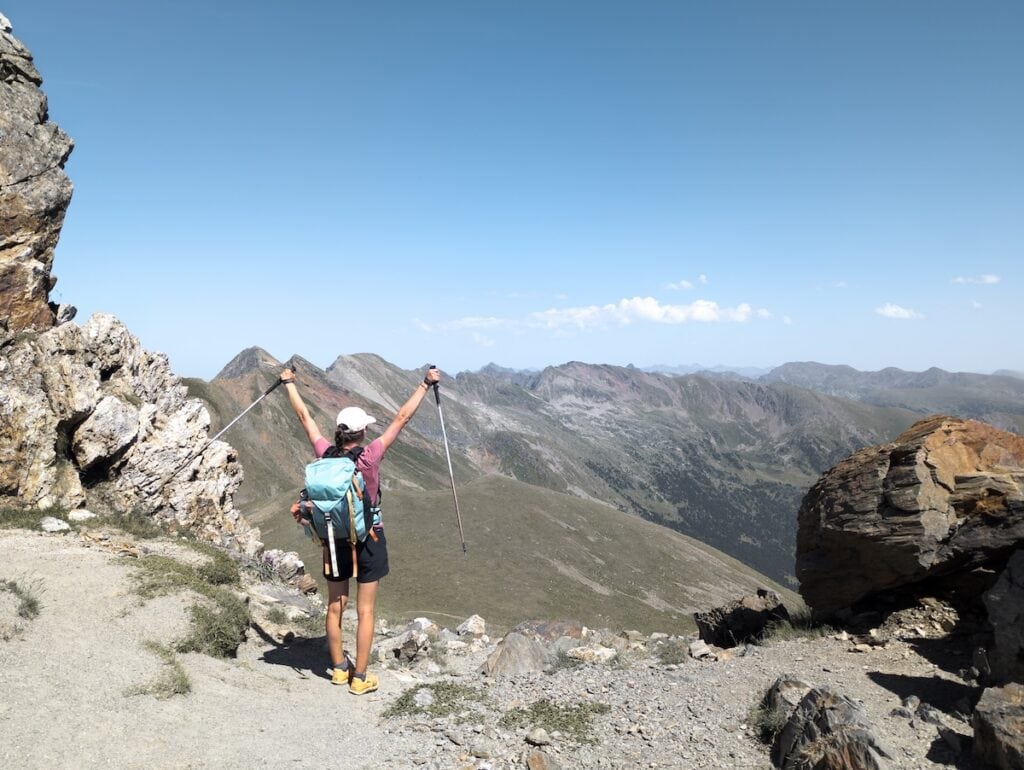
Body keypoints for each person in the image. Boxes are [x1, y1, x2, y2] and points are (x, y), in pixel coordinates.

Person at [280, 365, 441, 695]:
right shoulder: (369, 457)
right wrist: (425, 384)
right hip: (369, 538)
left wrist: (289, 384)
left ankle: (339, 669)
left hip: (334, 539)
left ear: (340, 432)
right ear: (361, 432)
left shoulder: (325, 454)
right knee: (366, 610)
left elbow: (304, 418)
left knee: (335, 605)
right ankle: (360, 677)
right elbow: (401, 419)